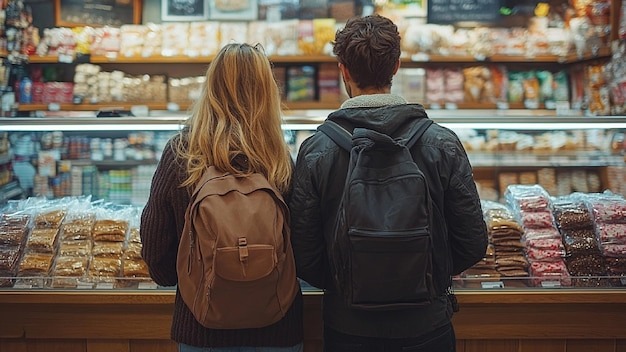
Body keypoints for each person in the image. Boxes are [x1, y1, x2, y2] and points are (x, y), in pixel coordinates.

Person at [288, 14, 488, 352]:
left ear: (343, 70)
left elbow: (304, 253)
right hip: (427, 325)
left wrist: (347, 282)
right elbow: (472, 241)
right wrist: (423, 273)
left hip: (348, 327)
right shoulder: (441, 142)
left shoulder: (317, 149)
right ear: (396, 66)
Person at [140, 43, 303, 352]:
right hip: (277, 328)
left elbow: (156, 253)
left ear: (210, 88)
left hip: (202, 330)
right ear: (267, 91)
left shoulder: (182, 154)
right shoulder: (280, 160)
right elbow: (303, 247)